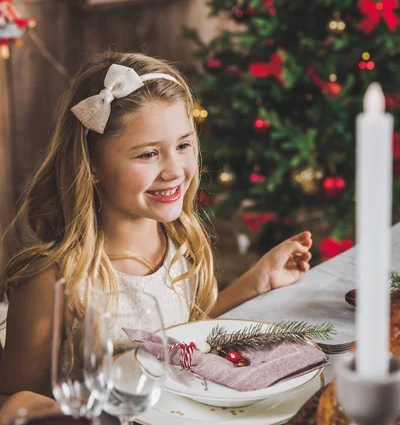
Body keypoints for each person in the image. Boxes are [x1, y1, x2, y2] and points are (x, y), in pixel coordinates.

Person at [0, 51, 312, 419]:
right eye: (148, 154)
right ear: (92, 164)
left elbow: (177, 342)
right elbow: (13, 403)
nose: (174, 170)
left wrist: (256, 281)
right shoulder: (53, 278)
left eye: (183, 145)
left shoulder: (179, 246)